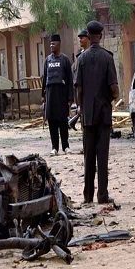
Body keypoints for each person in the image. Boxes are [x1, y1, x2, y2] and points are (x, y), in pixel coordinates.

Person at [75, 21, 119, 204]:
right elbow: (114, 89)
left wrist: (82, 106)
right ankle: (102, 195)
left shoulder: (81, 59)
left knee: (88, 157)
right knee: (102, 157)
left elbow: (78, 89)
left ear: (89, 36)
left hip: (88, 115)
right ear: (100, 36)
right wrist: (110, 99)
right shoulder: (107, 58)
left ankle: (87, 196)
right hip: (104, 114)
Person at [42, 34, 74, 156]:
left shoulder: (65, 60)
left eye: (53, 44)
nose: (51, 46)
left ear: (59, 44)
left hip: (62, 95)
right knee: (52, 122)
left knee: (62, 122)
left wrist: (70, 98)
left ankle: (65, 146)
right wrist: (43, 96)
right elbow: (44, 79)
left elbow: (70, 80)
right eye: (50, 44)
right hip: (50, 96)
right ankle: (54, 147)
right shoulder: (47, 60)